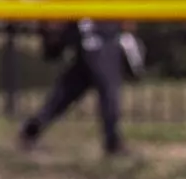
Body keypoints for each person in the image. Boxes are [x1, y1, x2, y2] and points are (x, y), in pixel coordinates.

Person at [18, 19, 127, 156]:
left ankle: (31, 129)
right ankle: (113, 142)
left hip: (96, 33)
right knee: (106, 88)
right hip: (96, 34)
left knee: (68, 91)